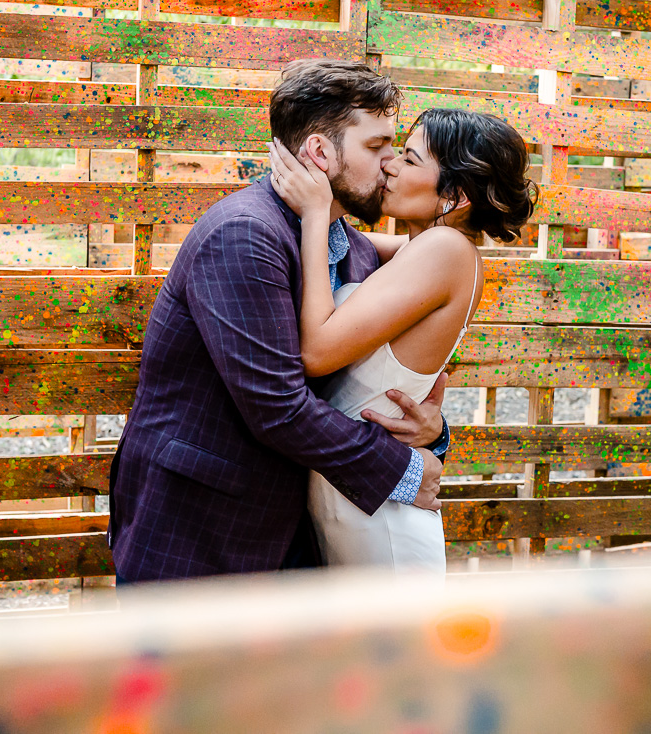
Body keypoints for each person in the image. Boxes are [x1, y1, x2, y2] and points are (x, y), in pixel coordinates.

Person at [108, 60, 452, 582]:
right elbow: (276, 405)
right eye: (376, 145)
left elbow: (359, 389)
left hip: (295, 534)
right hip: (200, 532)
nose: (390, 164)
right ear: (319, 152)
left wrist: (430, 431)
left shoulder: (350, 248)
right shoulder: (244, 236)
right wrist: (402, 470)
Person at [268, 107, 534, 572]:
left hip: (380, 515)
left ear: (455, 195)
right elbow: (351, 242)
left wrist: (313, 214)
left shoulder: (445, 250)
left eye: (409, 160)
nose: (390, 164)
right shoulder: (426, 249)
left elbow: (316, 352)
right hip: (358, 495)